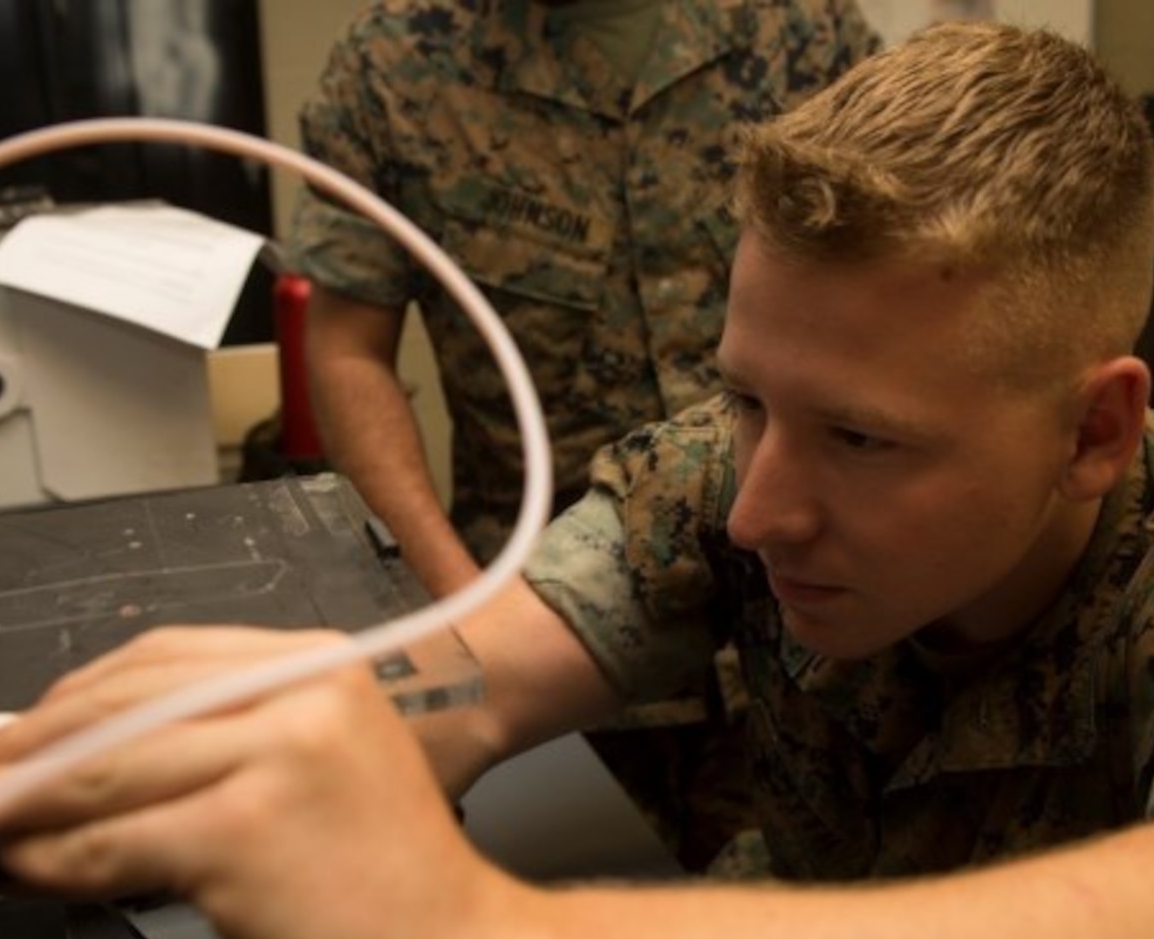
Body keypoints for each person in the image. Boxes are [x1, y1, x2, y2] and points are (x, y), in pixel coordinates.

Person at [0, 23, 1154, 939]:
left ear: (1098, 431)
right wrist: (302, 726)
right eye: (748, 398)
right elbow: (465, 679)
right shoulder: (735, 478)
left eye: (861, 439)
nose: (759, 508)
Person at [290, 0, 881, 871]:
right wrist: (469, 611)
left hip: (800, 622)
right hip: (541, 623)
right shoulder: (395, 65)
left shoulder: (806, 31)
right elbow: (348, 350)